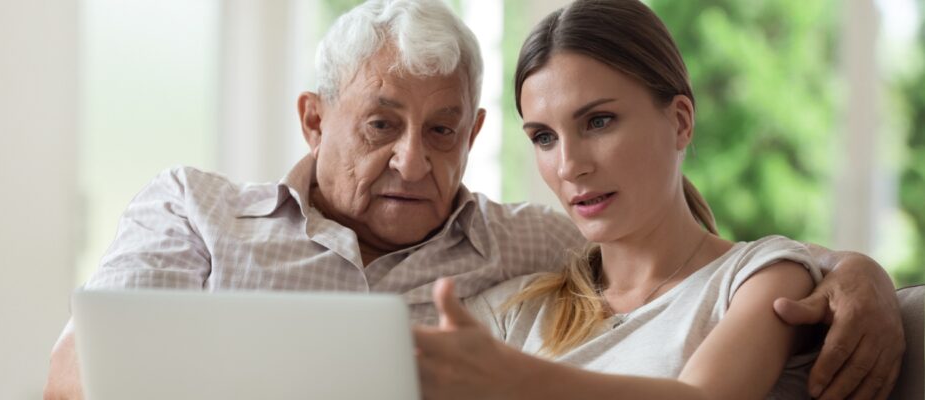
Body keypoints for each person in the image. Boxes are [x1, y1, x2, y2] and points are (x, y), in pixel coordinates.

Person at [44, 1, 903, 399]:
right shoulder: (195, 210)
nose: (412, 160)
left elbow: (727, 265)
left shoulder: (515, 260)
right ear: (314, 120)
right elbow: (80, 374)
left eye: (443, 132)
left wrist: (857, 271)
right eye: (380, 125)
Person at [412, 1, 903, 400]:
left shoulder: (761, 278)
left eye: (598, 122)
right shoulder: (512, 313)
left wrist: (516, 380)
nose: (568, 165)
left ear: (681, 121)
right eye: (544, 137)